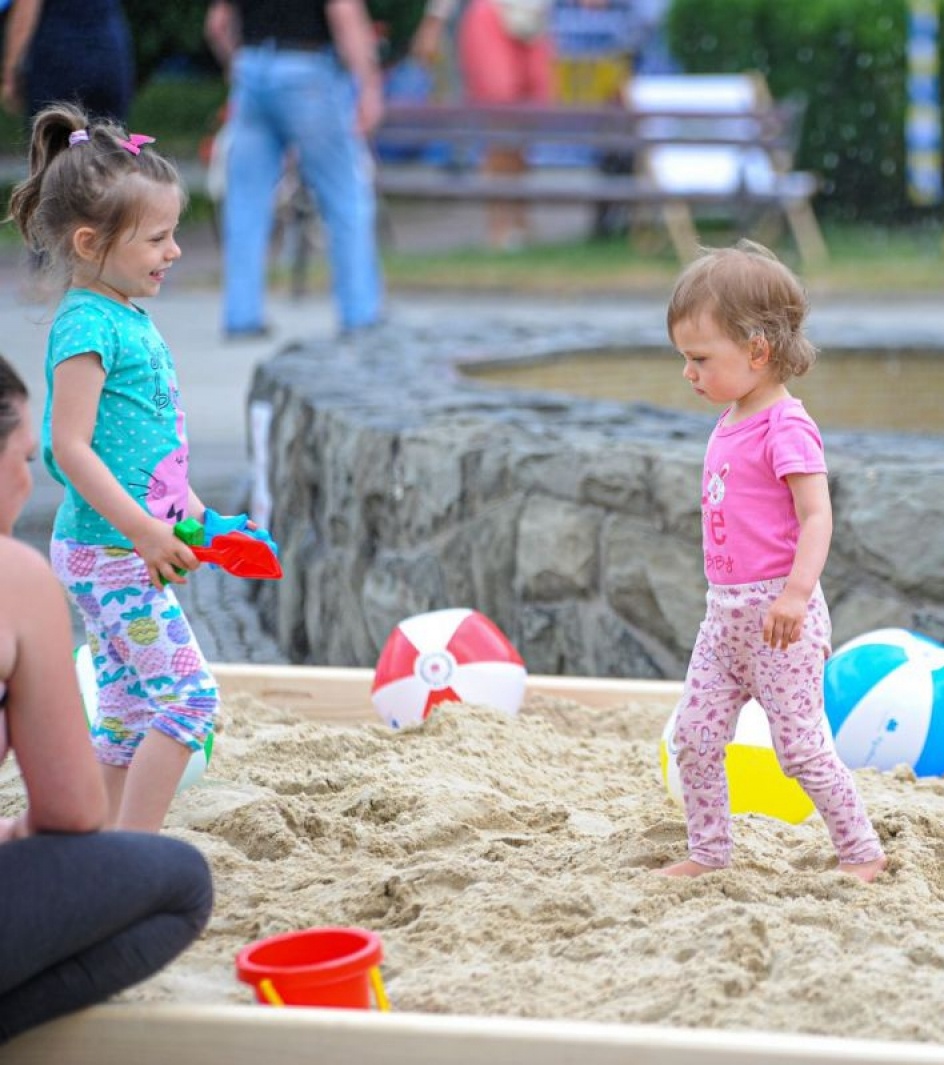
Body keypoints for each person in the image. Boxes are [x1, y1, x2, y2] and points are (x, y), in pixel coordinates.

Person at [6, 103, 226, 833]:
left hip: (118, 544)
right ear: (90, 242)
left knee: (131, 712)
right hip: (107, 550)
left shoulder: (125, 313)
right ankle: (135, 851)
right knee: (189, 701)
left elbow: (146, 438)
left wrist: (184, 510)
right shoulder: (86, 322)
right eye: (158, 238)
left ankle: (94, 846)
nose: (174, 252)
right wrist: (140, 531)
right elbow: (69, 446)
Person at [658, 240, 888, 884]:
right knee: (695, 737)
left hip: (779, 621)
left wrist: (795, 593)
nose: (689, 373)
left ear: (758, 351)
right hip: (724, 618)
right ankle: (708, 851)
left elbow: (817, 515)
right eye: (685, 359)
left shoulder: (786, 425)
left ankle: (861, 850)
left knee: (799, 748)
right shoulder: (732, 417)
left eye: (700, 359)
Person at [0, 355, 213, 1046]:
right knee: (180, 881)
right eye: (22, 456)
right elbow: (71, 811)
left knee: (125, 715)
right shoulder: (17, 579)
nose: (30, 479)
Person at [204, 0, 386, 338]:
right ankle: (360, 312)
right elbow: (344, 12)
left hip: (253, 66)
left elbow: (218, 22)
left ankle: (241, 316)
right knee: (345, 193)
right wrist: (369, 87)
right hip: (308, 69)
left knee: (245, 201)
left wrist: (238, 65)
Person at [410, 0, 556, 250]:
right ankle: (498, 228)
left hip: (535, 19)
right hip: (490, 13)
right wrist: (434, 21)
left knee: (527, 124)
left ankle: (520, 223)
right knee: (499, 121)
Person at [1, 0, 135, 123]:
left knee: (54, 140)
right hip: (111, 52)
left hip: (59, 59)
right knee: (107, 141)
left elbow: (26, 11)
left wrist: (10, 70)